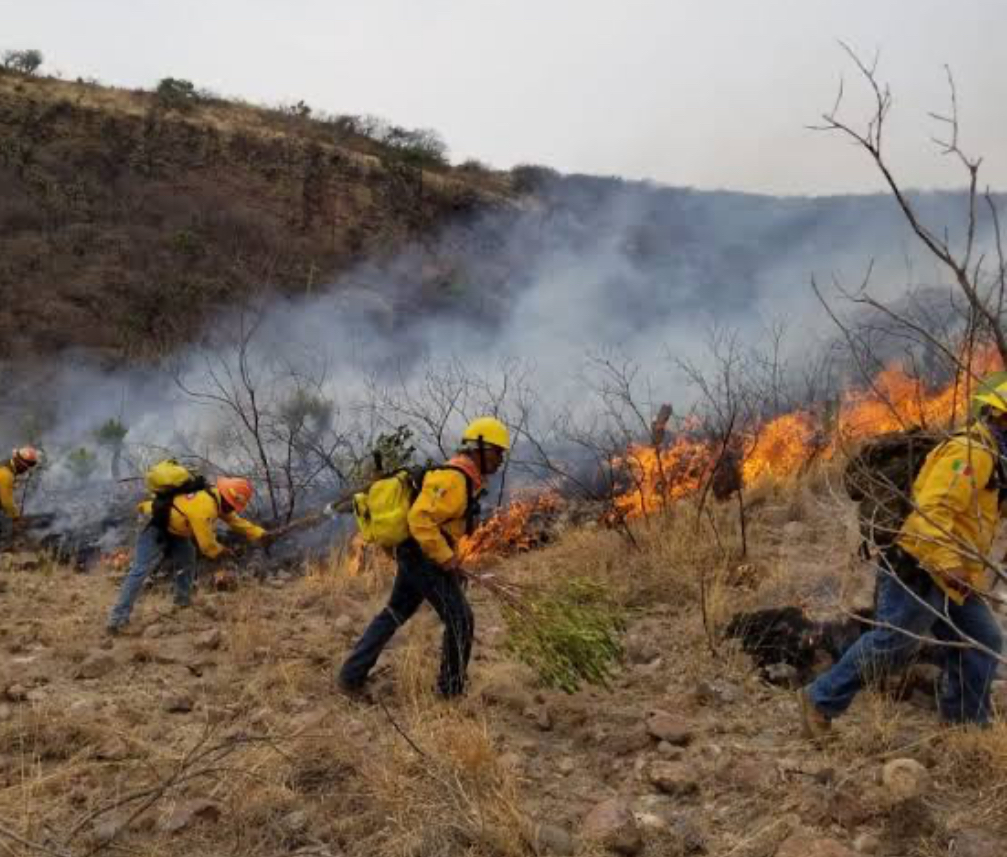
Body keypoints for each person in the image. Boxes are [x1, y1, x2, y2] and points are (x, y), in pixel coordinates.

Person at [800, 382, 1007, 736]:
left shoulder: (997, 459)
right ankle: (820, 700)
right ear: (1002, 415)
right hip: (919, 566)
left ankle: (964, 726)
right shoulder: (970, 453)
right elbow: (933, 511)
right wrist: (950, 565)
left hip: (955, 574)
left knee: (983, 640)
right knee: (893, 645)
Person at [338, 417, 511, 698]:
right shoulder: (453, 479)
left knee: (395, 612)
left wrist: (449, 558)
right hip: (422, 555)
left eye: (502, 453)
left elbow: (442, 524)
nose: (500, 459)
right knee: (460, 618)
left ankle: (350, 677)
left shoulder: (463, 478)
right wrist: (445, 559)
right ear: (478, 448)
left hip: (418, 553)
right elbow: (419, 520)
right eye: (496, 451)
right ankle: (450, 693)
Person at [106, 476, 267, 633]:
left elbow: (236, 522)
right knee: (140, 570)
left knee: (188, 560)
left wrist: (260, 534)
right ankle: (117, 619)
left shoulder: (216, 498)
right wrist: (224, 552)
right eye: (232, 506)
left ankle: (182, 603)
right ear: (227, 499)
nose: (232, 510)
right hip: (156, 526)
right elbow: (207, 545)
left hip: (177, 531)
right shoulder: (205, 506)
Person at [0, 447, 40, 545]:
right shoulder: (5, 474)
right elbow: (6, 502)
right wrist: (16, 518)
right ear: (19, 462)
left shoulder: (6, 466)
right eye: (26, 467)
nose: (26, 470)